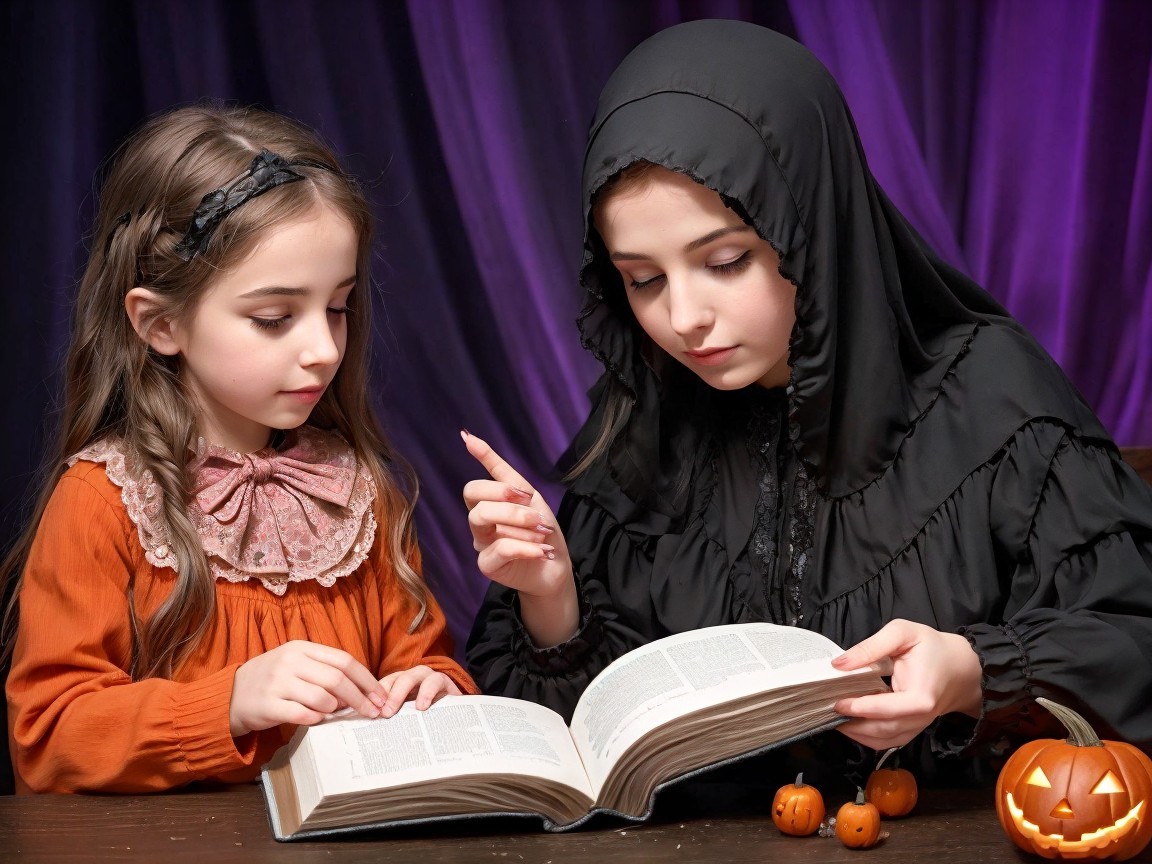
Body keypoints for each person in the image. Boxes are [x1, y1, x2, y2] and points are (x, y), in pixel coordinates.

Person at [462, 20, 1152, 786]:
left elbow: (1133, 641)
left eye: (726, 261)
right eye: (643, 280)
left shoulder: (991, 394)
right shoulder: (645, 424)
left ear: (815, 229)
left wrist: (971, 670)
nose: (683, 318)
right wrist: (554, 600)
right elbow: (579, 758)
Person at [1, 104, 477, 794]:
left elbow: (420, 659)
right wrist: (226, 704)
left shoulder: (358, 491)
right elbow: (48, 740)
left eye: (338, 307)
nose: (324, 349)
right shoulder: (102, 502)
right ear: (160, 323)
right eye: (274, 318)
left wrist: (433, 686)